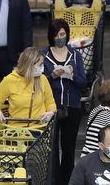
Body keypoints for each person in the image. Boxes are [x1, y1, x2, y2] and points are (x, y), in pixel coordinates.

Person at [40, 19, 87, 185]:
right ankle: (52, 180)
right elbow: (37, 81)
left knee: (68, 149)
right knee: (51, 149)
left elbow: (83, 83)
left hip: (72, 106)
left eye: (62, 34)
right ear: (51, 36)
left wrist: (71, 75)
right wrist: (52, 76)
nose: (60, 37)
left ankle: (66, 181)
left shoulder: (75, 55)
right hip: (50, 108)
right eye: (56, 35)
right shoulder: (43, 55)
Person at [0, 47, 56, 126]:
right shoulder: (9, 80)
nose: (42, 68)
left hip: (39, 129)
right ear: (29, 65)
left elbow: (50, 103)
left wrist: (50, 112)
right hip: (16, 130)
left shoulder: (43, 79)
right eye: (40, 65)